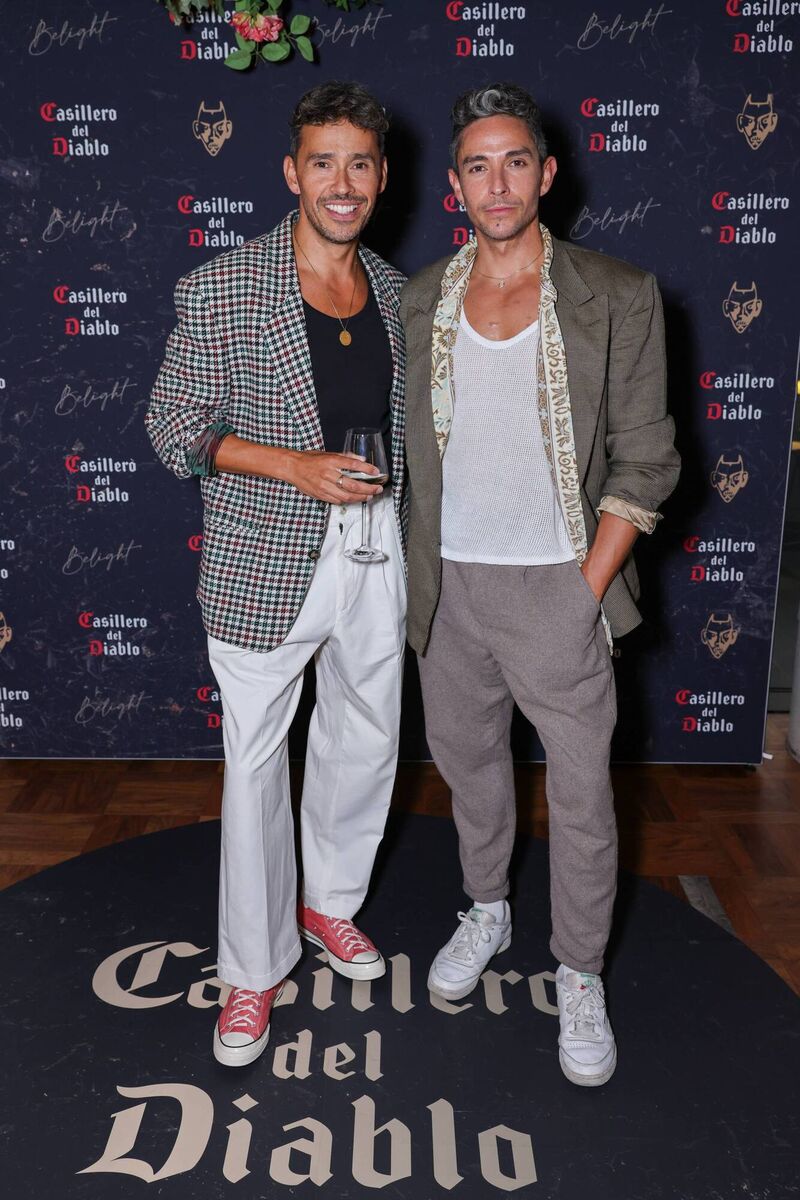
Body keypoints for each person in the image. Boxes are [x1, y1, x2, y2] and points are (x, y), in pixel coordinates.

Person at [399, 83, 679, 1087]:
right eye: (477, 164)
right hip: (451, 589)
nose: (497, 180)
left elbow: (646, 461)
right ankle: (485, 909)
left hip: (560, 586)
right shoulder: (420, 298)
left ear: (546, 173)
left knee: (583, 798)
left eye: (514, 159)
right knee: (468, 770)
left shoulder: (617, 292)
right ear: (454, 186)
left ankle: (577, 973)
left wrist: (584, 587)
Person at [146, 81, 407, 1067]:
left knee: (365, 733)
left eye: (360, 163)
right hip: (266, 556)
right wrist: (292, 465)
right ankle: (252, 973)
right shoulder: (222, 286)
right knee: (256, 764)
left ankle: (327, 903)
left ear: (381, 176)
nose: (341, 183)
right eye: (322, 162)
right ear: (291, 172)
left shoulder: (392, 288)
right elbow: (174, 432)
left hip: (376, 543)